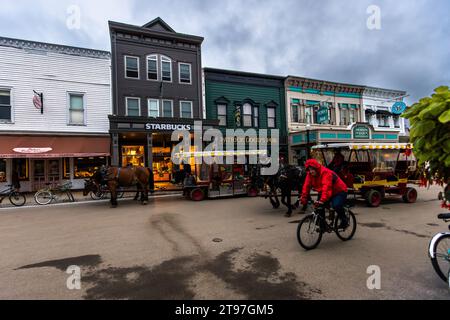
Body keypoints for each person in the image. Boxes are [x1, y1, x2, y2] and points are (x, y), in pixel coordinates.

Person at [300, 159, 349, 229]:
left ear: (316, 168)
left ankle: (344, 221)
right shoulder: (309, 174)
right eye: (309, 169)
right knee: (319, 207)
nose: (311, 171)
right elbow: (306, 186)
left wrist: (322, 200)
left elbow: (326, 187)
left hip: (339, 191)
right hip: (324, 191)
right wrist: (304, 197)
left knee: (336, 205)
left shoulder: (325, 172)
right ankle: (323, 225)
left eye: (312, 169)